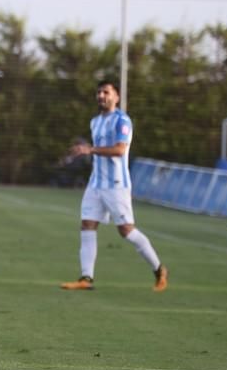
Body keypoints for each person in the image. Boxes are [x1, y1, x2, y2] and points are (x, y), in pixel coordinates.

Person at [61, 80, 168, 292]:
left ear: (116, 96)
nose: (102, 96)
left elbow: (119, 150)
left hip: (116, 184)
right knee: (87, 225)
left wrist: (89, 150)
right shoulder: (95, 122)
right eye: (99, 92)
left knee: (126, 231)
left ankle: (159, 269)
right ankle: (86, 278)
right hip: (96, 183)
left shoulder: (122, 121)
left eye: (106, 92)